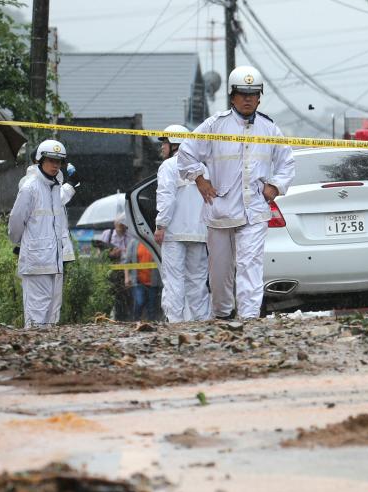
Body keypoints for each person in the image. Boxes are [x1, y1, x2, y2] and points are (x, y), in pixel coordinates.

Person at [178, 66, 295, 319]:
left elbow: (287, 161)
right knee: (220, 271)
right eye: (242, 93)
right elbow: (186, 152)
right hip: (220, 209)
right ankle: (222, 314)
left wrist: (275, 186)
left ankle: (249, 318)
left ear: (260, 97)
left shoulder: (269, 129)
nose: (248, 99)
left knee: (249, 265)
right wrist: (200, 179)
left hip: (254, 211)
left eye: (253, 94)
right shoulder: (214, 125)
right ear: (232, 96)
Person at [7, 139, 74, 327]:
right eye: (51, 160)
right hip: (36, 262)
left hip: (54, 262)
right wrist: (24, 244)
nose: (55, 165)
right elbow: (15, 222)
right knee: (37, 316)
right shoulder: (30, 188)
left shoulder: (55, 188)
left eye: (58, 161)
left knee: (52, 316)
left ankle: (48, 355)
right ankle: (33, 354)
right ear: (40, 160)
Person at [155, 124, 210, 322]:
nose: (162, 148)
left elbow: (166, 198)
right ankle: (202, 321)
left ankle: (175, 321)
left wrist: (161, 225)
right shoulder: (202, 167)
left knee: (173, 279)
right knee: (197, 280)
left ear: (175, 144)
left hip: (174, 233)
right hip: (199, 232)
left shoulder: (168, 166)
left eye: (165, 143)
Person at [101, 215, 133, 321]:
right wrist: (110, 254)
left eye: (124, 225)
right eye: (120, 225)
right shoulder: (107, 234)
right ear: (115, 224)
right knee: (108, 298)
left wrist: (122, 252)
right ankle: (104, 319)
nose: (122, 228)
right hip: (110, 271)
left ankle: (122, 320)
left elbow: (132, 254)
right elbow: (99, 253)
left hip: (125, 271)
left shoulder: (130, 236)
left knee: (124, 299)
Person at [123, 235, 162, 321]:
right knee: (139, 302)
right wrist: (127, 277)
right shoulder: (133, 242)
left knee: (152, 307)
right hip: (138, 281)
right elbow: (126, 261)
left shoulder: (155, 242)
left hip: (154, 282)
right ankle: (135, 322)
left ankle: (152, 326)